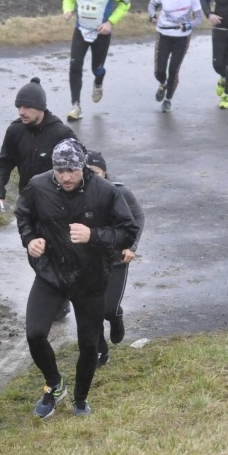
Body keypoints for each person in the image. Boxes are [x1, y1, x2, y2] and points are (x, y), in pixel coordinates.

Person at [15, 138, 138, 417]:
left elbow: (128, 231)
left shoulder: (105, 191)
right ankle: (54, 385)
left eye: (72, 170)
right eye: (60, 171)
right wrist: (30, 239)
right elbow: (23, 215)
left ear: (82, 167)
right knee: (34, 333)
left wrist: (93, 235)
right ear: (53, 169)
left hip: (91, 277)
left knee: (89, 344)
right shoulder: (38, 185)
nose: (66, 177)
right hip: (51, 273)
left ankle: (80, 400)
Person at [0, 76, 77, 321]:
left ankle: (58, 299)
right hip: (28, 204)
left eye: (27, 107)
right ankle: (55, 292)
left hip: (59, 205)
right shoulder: (15, 130)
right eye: (19, 107)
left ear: (40, 107)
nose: (22, 111)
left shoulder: (61, 132)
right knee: (34, 251)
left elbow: (80, 168)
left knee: (57, 252)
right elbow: (5, 162)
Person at [85, 151, 145, 368]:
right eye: (87, 172)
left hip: (116, 258)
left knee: (107, 309)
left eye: (96, 173)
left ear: (105, 172)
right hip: (88, 260)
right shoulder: (76, 194)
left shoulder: (120, 191)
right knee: (92, 310)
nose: (92, 177)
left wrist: (132, 246)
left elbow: (138, 217)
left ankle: (116, 316)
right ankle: (101, 350)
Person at [62, 0, 131, 121]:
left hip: (101, 34)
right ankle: (75, 106)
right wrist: (68, 9)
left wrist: (110, 22)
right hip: (81, 31)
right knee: (75, 67)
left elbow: (126, 2)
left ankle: (98, 81)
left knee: (96, 68)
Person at [148, 0, 204, 113]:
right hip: (163, 35)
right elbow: (152, 4)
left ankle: (168, 100)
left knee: (173, 69)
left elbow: (199, 18)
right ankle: (163, 84)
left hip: (181, 38)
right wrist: (152, 15)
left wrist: (189, 25)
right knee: (159, 71)